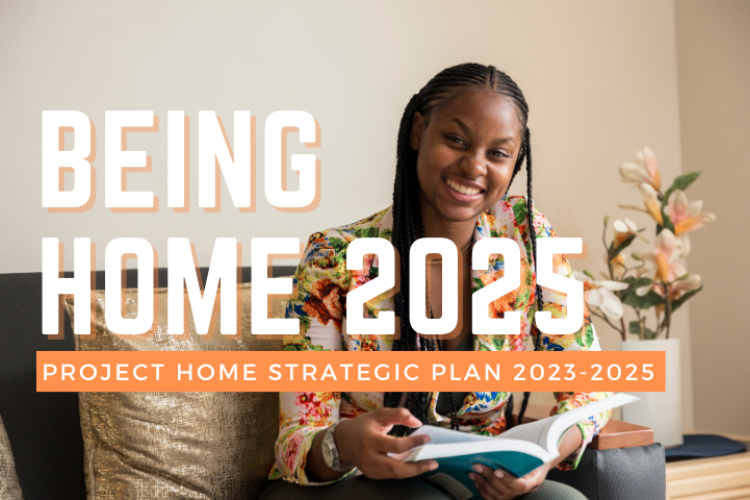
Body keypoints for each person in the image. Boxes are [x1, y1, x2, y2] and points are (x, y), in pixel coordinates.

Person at [260, 63, 611, 500]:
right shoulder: (335, 259)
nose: (474, 166)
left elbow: (590, 388)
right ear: (418, 132)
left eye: (497, 153)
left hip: (477, 481)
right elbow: (296, 440)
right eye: (456, 140)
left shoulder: (526, 237)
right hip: (353, 485)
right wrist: (346, 443)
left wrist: (542, 458)